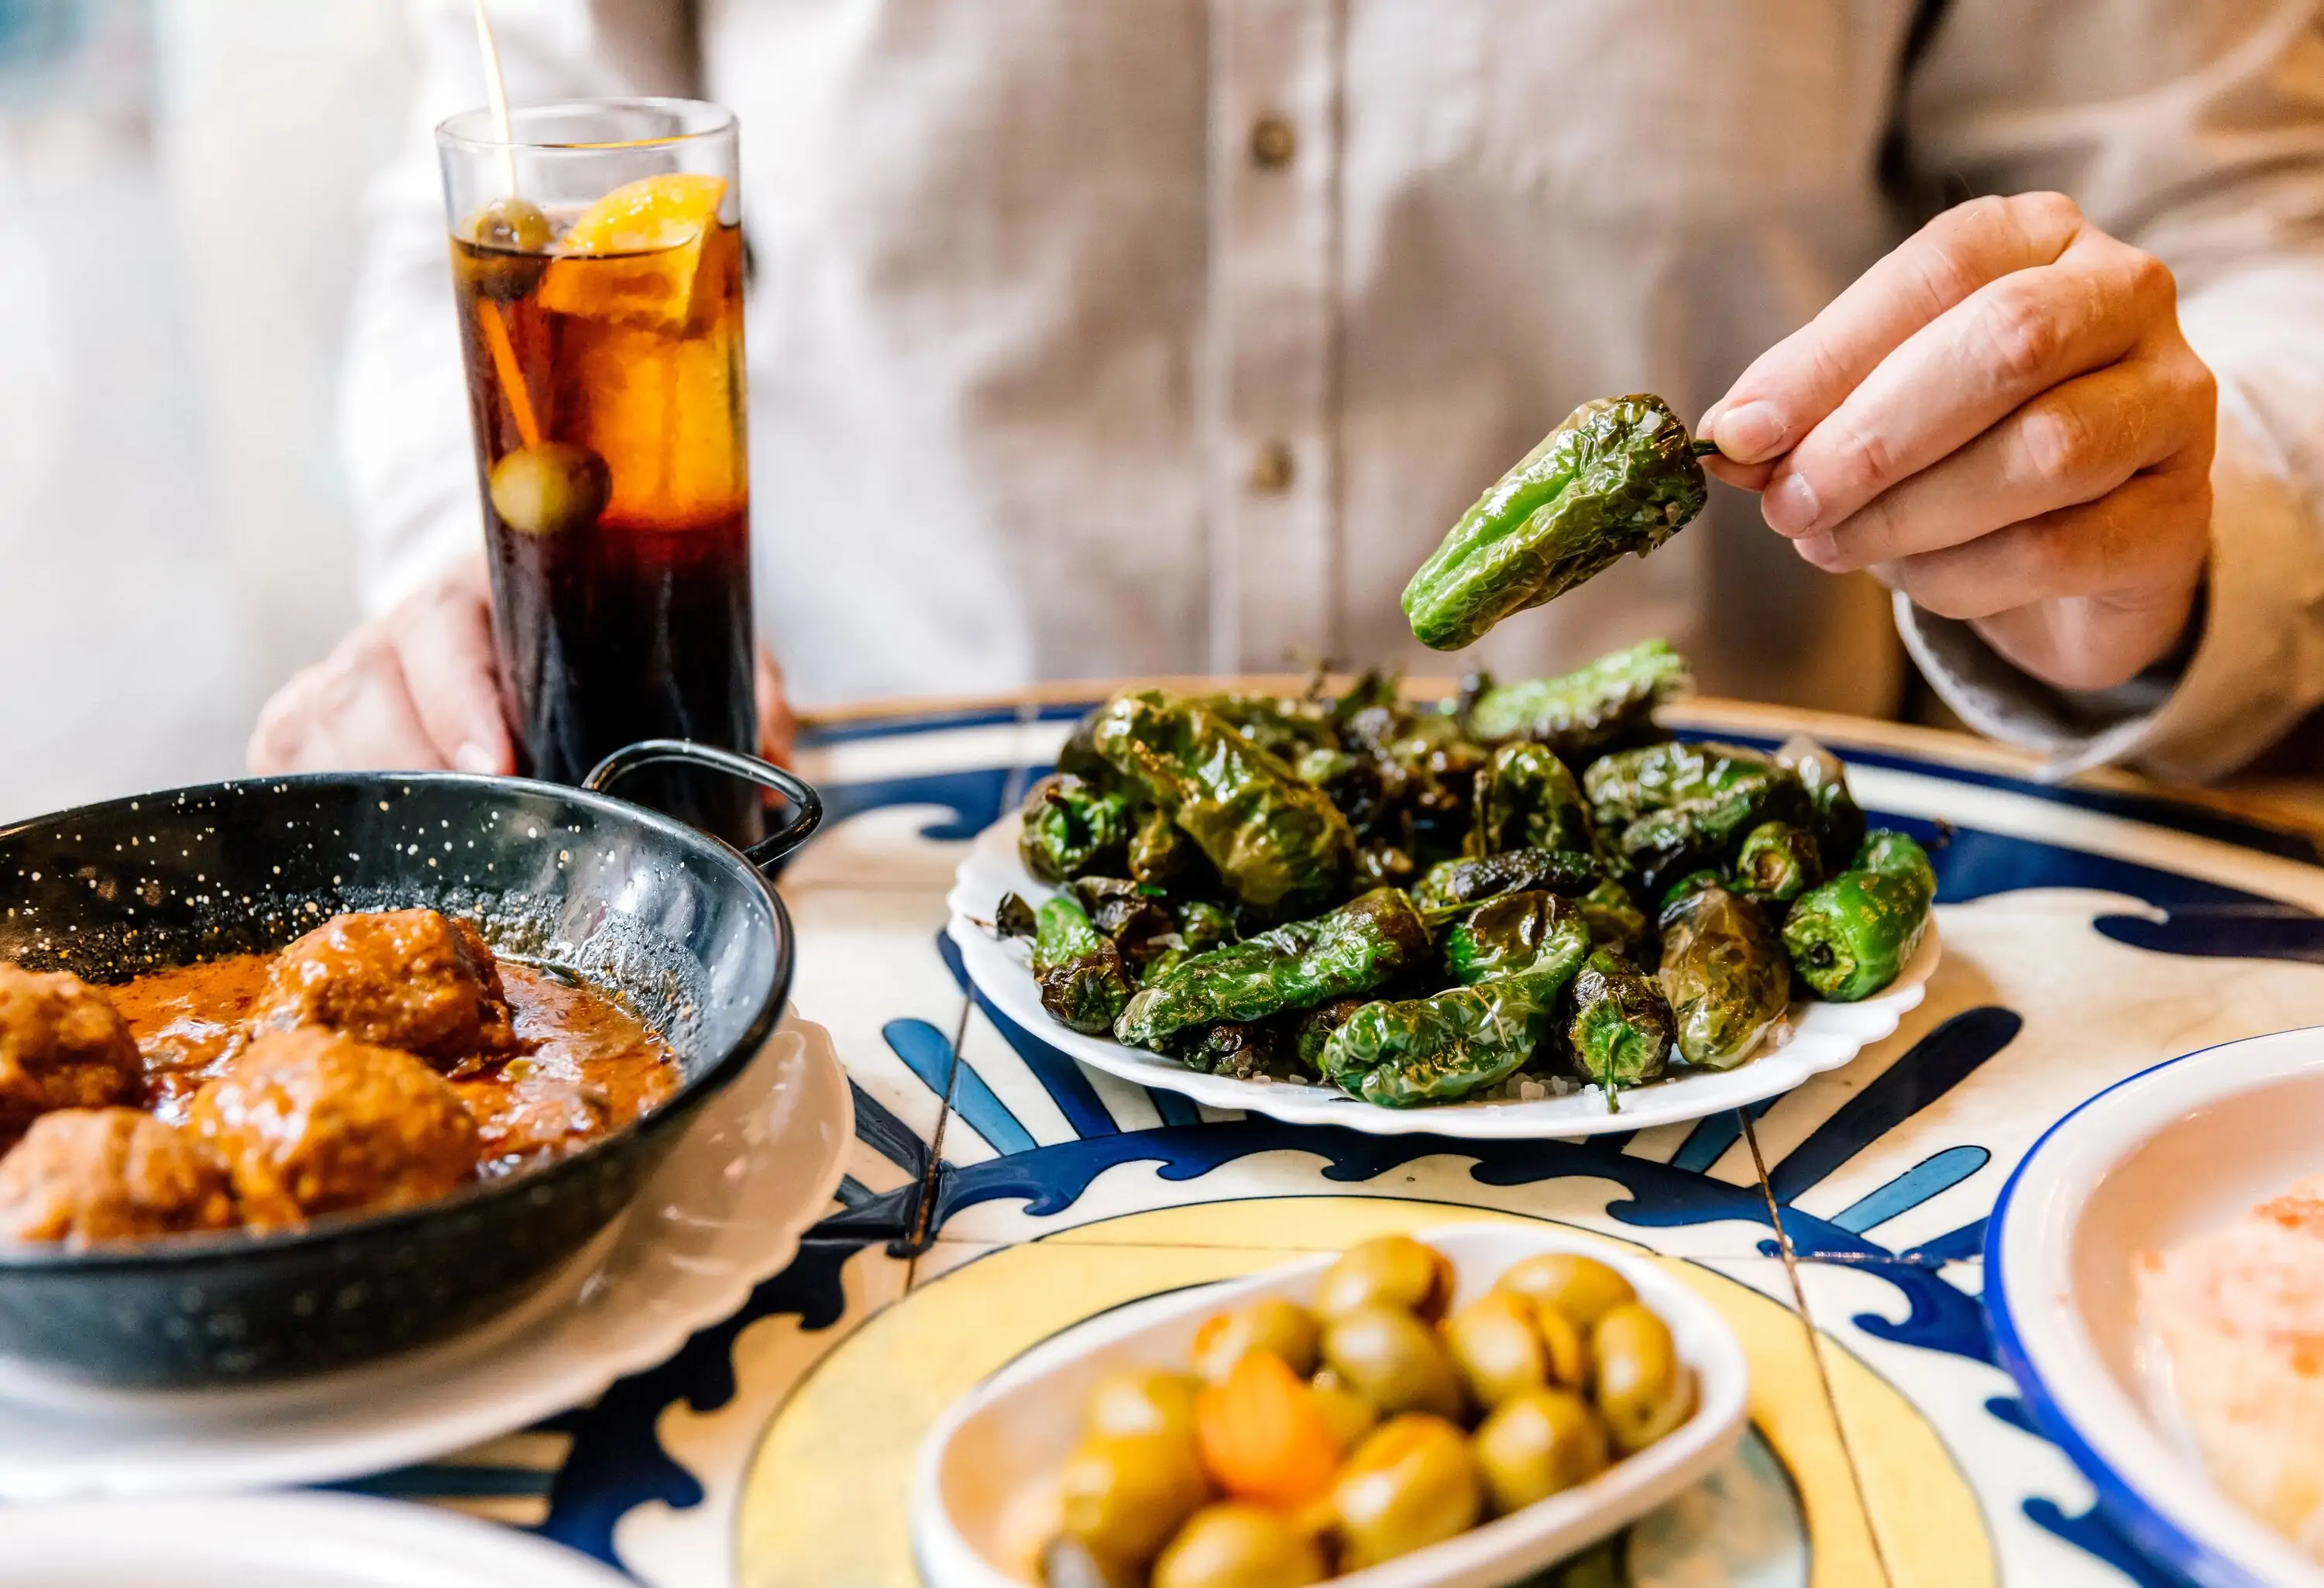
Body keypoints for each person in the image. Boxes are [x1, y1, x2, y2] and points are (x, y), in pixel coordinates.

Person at [253, 0, 2324, 785]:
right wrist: (485, 591)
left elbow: (2250, 240)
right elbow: (521, 182)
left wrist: (2159, 528)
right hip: (870, 907)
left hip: (1721, 966)